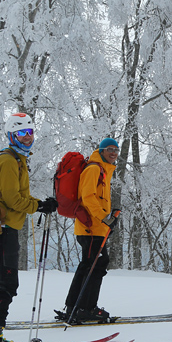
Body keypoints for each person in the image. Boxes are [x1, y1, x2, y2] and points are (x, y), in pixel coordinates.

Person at [0, 113, 57, 342]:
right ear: (11, 136)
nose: (27, 138)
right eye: (21, 134)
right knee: (7, 284)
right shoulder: (8, 161)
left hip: (0, 228)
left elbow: (15, 196)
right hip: (2, 228)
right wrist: (38, 206)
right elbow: (11, 199)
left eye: (30, 133)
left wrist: (39, 203)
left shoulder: (16, 160)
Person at [61, 137, 120, 323]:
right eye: (109, 149)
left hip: (96, 228)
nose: (113, 152)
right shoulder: (94, 168)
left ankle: (75, 307)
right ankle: (85, 308)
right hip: (90, 228)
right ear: (101, 150)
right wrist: (105, 218)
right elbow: (87, 197)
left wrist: (107, 220)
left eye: (116, 150)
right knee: (95, 265)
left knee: (90, 265)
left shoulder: (103, 170)